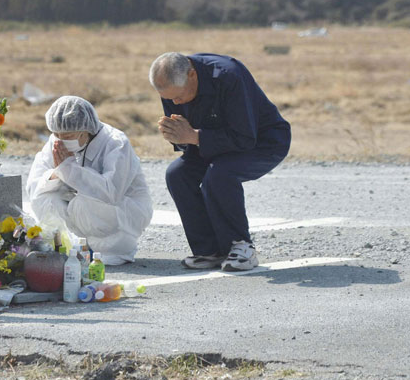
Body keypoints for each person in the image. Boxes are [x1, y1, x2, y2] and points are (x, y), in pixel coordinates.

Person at [149, 52, 291, 272]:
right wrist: (179, 137)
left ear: (192, 74)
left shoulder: (228, 76)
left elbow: (245, 138)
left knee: (220, 174)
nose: (174, 103)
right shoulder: (172, 87)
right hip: (212, 144)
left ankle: (242, 248)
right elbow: (186, 138)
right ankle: (209, 251)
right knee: (177, 174)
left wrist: (194, 137)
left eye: (178, 97)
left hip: (263, 142)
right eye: (169, 99)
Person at [26, 96, 153, 265]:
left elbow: (110, 192)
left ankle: (110, 249)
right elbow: (34, 185)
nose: (61, 139)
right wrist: (57, 173)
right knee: (44, 199)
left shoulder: (115, 143)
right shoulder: (55, 141)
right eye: (57, 134)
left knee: (83, 203)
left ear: (86, 130)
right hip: (79, 210)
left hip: (125, 210)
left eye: (68, 135)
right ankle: (68, 247)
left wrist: (69, 168)